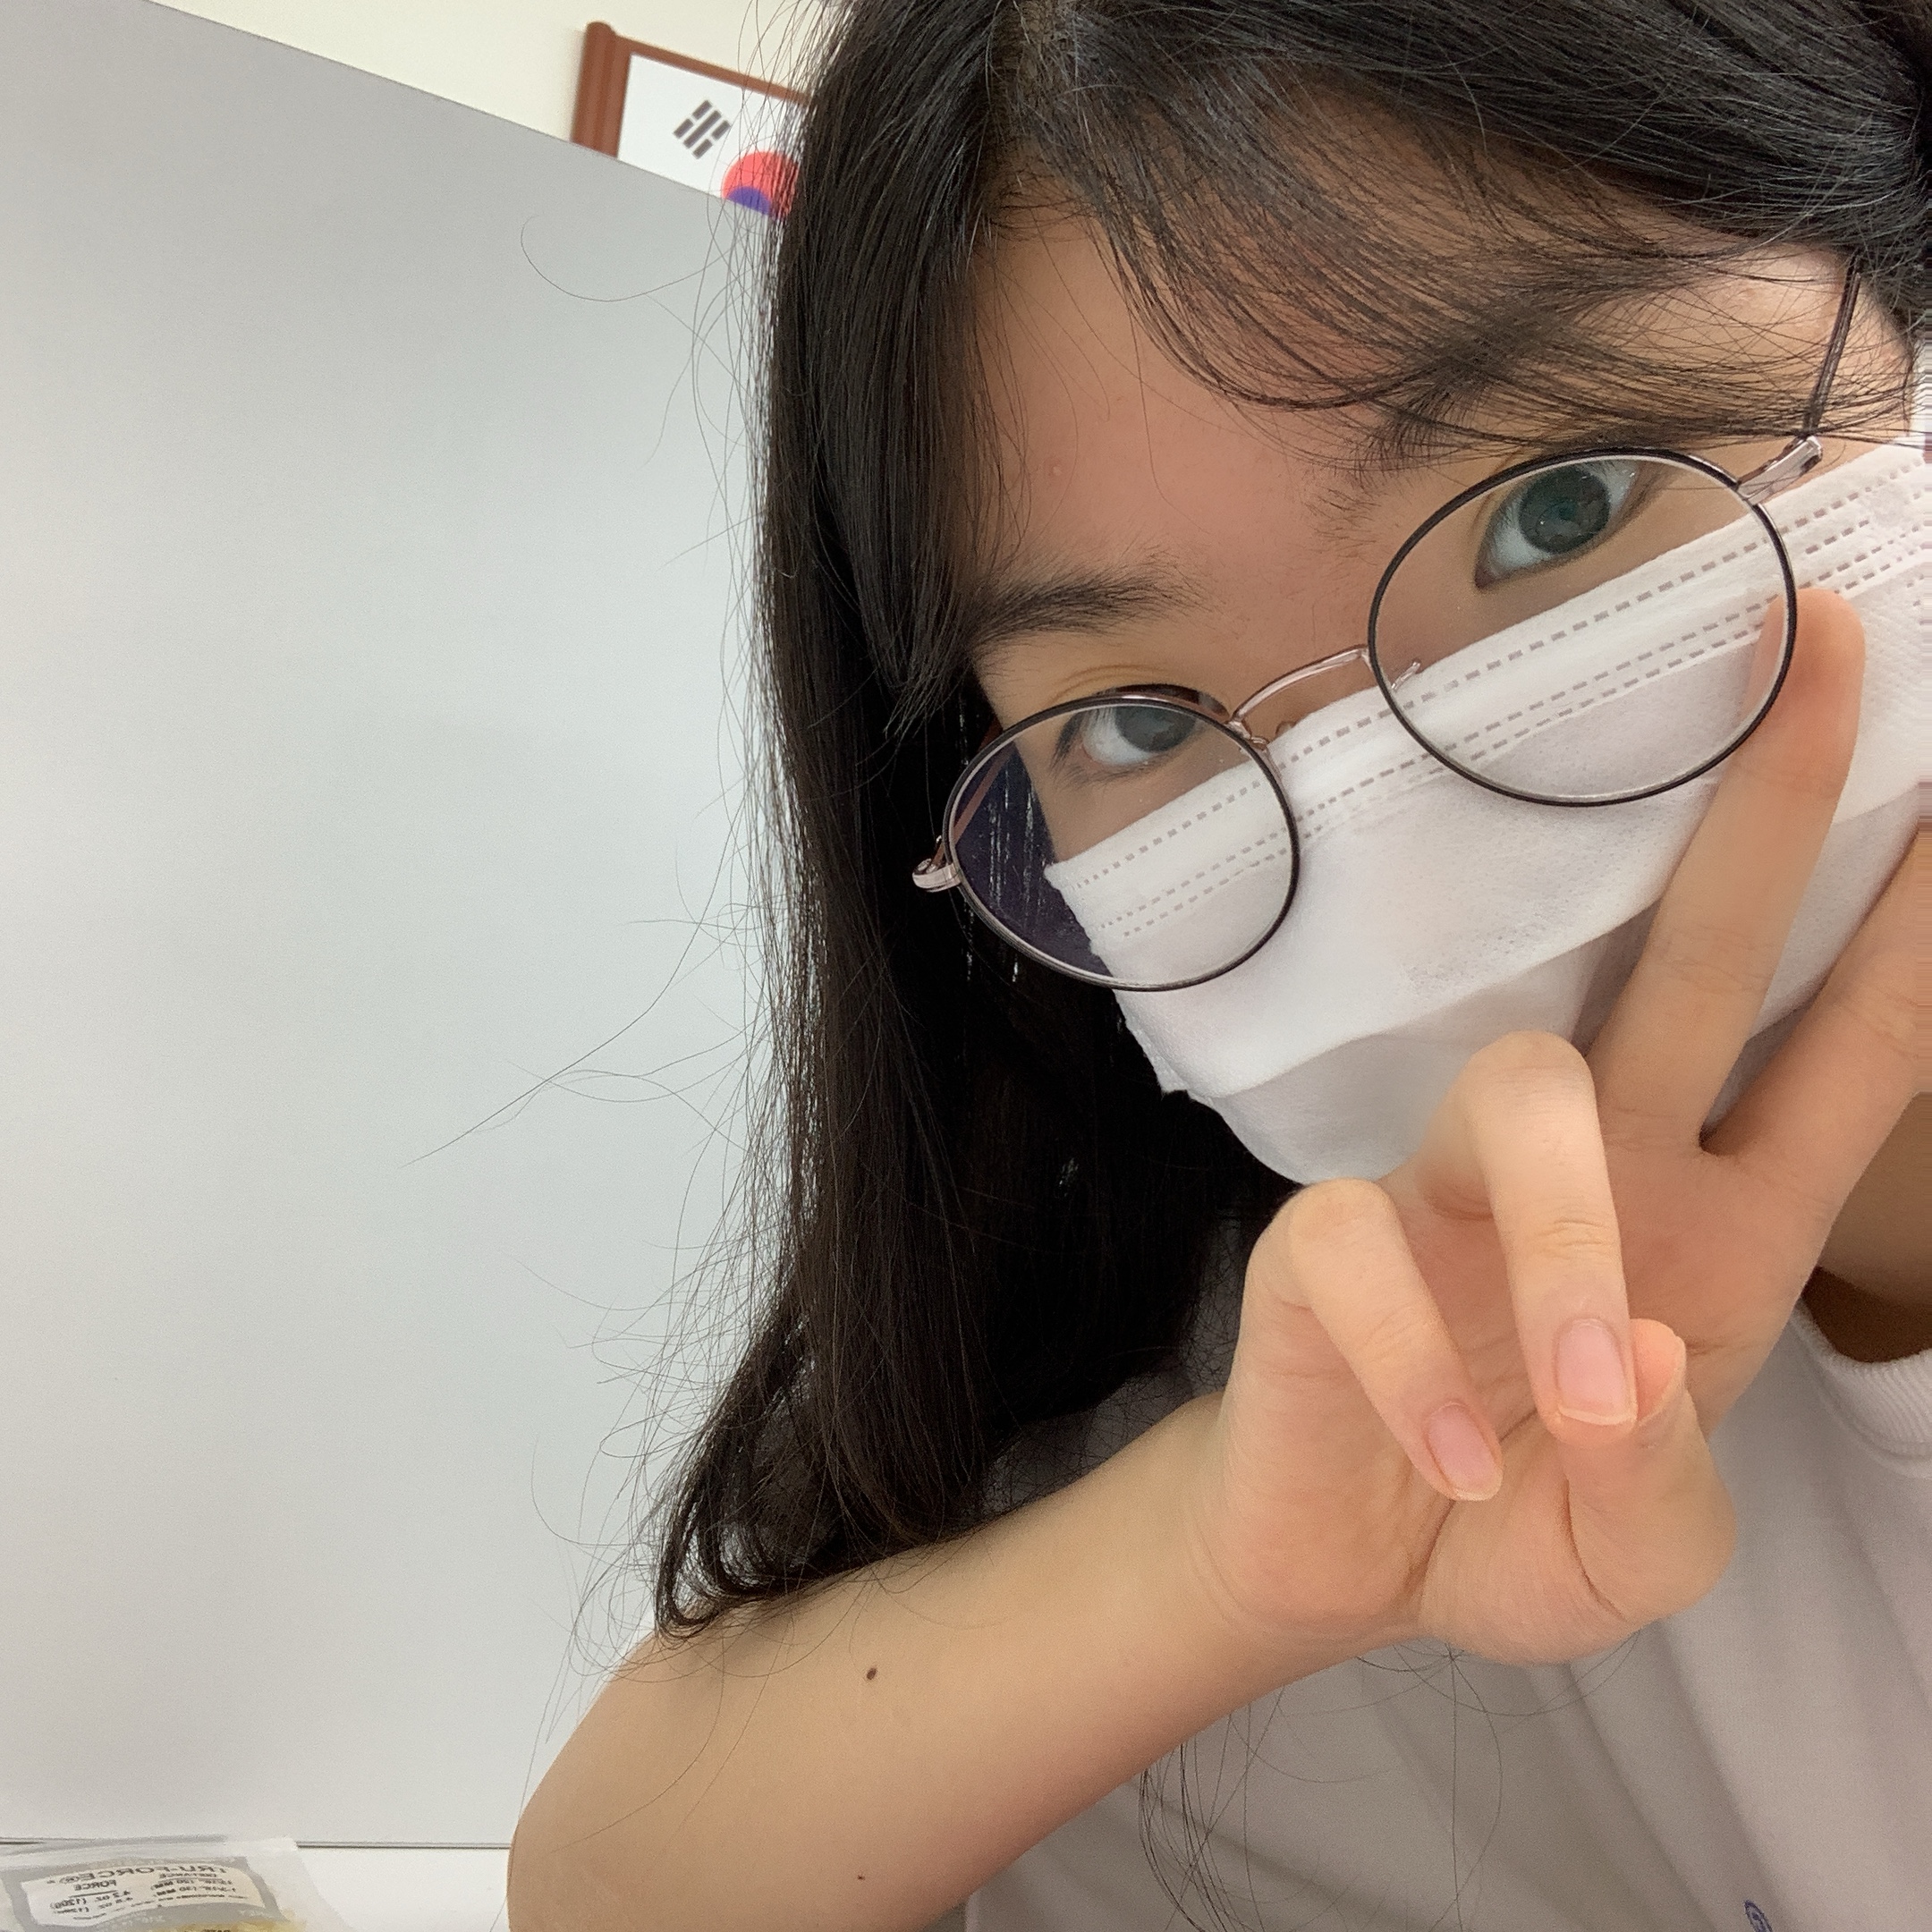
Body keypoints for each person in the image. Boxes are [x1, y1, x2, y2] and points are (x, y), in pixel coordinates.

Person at [507, 3, 1928, 1928]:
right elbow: (612, 1874)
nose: (1413, 898)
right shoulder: (1357, 1341)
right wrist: (1217, 1560)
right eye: (1141, 726)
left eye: (1563, 509)